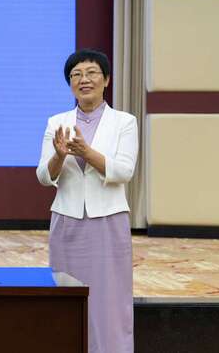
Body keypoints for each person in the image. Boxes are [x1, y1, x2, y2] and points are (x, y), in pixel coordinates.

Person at [37, 49, 137, 353]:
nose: (84, 79)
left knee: (110, 300)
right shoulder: (57, 122)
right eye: (76, 75)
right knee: (66, 297)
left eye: (92, 73)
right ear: (70, 84)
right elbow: (43, 176)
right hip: (67, 221)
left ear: (106, 80)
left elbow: (124, 171)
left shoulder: (124, 122)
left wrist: (87, 153)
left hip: (107, 221)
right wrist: (59, 156)